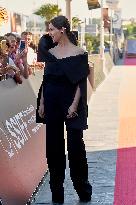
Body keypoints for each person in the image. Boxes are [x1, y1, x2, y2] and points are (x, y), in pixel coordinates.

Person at [37, 15, 93, 204]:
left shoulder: (79, 53)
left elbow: (80, 83)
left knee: (76, 146)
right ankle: (57, 195)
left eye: (52, 29)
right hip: (51, 101)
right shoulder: (49, 51)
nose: (49, 33)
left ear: (63, 30)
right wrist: (42, 102)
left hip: (70, 103)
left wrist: (74, 105)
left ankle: (83, 190)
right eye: (49, 29)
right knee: (53, 148)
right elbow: (46, 79)